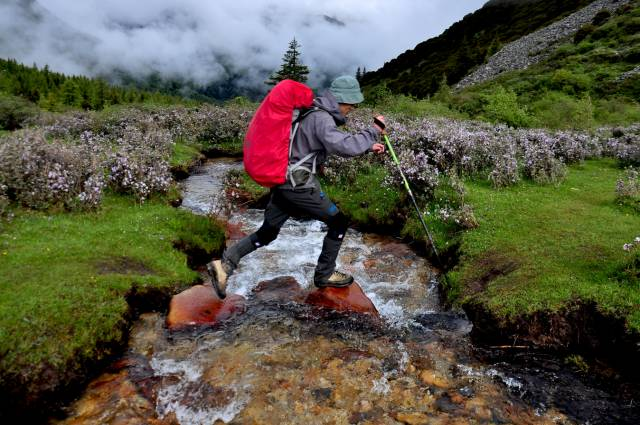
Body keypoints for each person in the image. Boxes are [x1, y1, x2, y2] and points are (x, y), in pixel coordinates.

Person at [207, 75, 386, 299]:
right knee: (338, 223)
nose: (352, 109)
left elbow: (314, 145)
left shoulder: (310, 112)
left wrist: (368, 147)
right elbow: (342, 145)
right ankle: (324, 275)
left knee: (268, 233)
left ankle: (224, 264)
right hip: (298, 186)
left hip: (282, 181)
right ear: (342, 100)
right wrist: (372, 131)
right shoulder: (322, 118)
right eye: (351, 104)